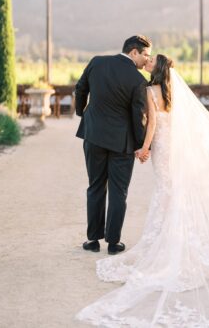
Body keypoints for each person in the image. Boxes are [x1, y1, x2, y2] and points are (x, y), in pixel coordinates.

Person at [76, 54, 209, 327]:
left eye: (149, 62)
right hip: (174, 149)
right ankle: (177, 237)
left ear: (155, 70)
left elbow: (152, 123)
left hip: (159, 148)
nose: (146, 63)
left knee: (163, 192)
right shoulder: (174, 92)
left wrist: (144, 148)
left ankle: (163, 241)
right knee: (172, 191)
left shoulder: (149, 90)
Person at [74, 35, 152, 255]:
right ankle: (113, 243)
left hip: (93, 136)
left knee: (95, 186)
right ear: (133, 52)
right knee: (119, 192)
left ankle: (93, 240)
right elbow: (139, 116)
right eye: (145, 55)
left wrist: (84, 114)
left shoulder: (97, 62)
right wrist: (141, 145)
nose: (147, 60)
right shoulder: (138, 80)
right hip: (122, 143)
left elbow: (80, 89)